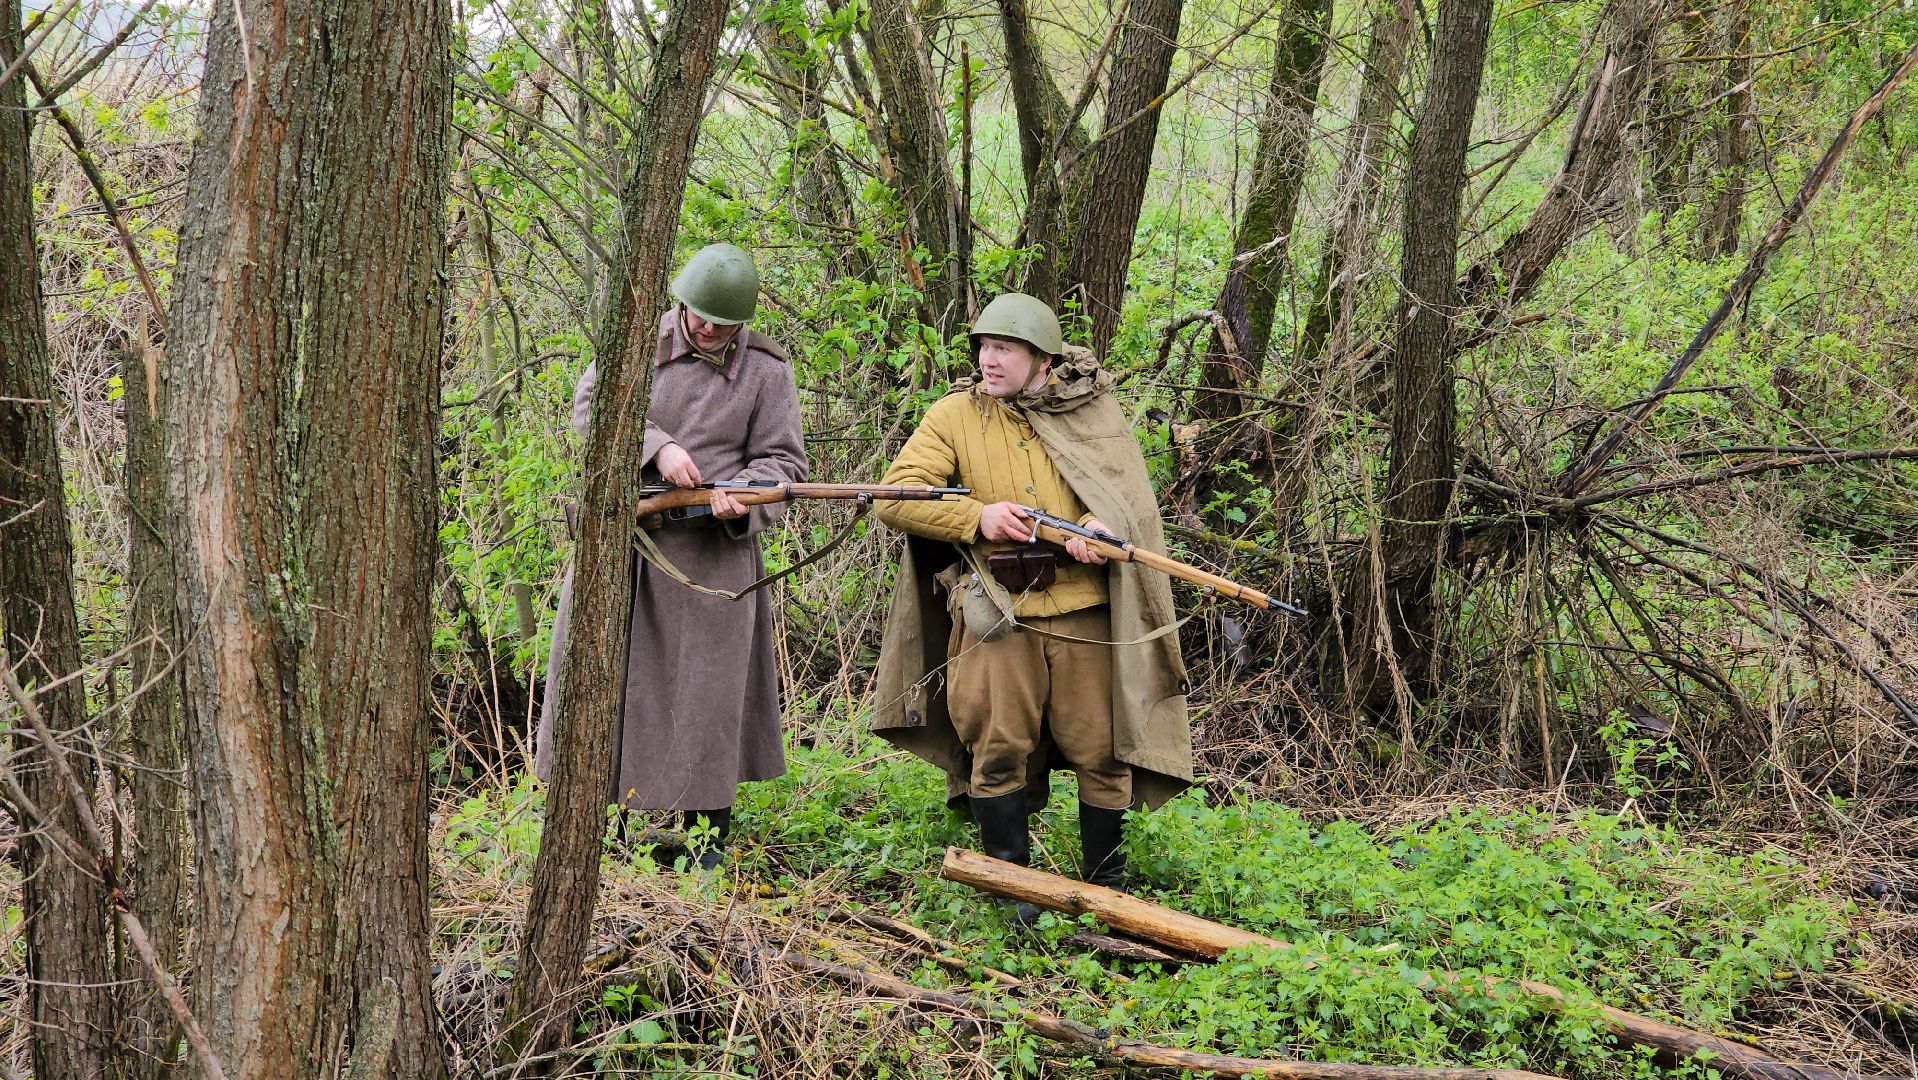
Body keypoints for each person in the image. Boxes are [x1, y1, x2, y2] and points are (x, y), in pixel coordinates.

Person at [870, 292, 1193, 905]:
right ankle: (1012, 889)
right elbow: (895, 496)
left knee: (1104, 750)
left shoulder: (1090, 411)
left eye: (1005, 349)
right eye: (984, 347)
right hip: (997, 612)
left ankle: (1107, 890)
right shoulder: (954, 415)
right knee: (995, 750)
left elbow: (1127, 499)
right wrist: (977, 517)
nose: (989, 360)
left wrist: (1102, 527)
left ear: (1042, 359)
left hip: (1087, 614)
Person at [536, 242, 806, 870]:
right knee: (603, 689)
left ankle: (703, 850)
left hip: (714, 564)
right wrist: (656, 449)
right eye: (697, 313)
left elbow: (785, 462)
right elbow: (589, 408)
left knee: (707, 704)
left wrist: (744, 495)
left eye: (720, 320)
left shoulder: (768, 372)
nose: (705, 327)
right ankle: (604, 842)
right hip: (625, 550)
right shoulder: (641, 343)